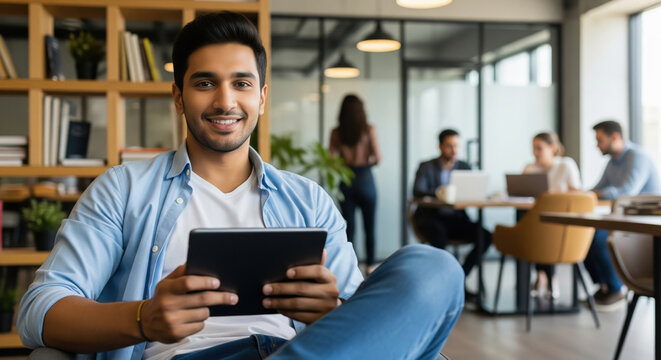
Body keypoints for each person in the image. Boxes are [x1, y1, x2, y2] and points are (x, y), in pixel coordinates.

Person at [17, 12, 465, 360]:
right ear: (178, 97)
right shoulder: (123, 189)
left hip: (299, 351)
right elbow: (39, 309)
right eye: (205, 83)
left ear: (262, 98)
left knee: (433, 268)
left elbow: (359, 317)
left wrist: (333, 311)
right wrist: (144, 317)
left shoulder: (308, 200)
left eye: (242, 84)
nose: (225, 101)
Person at [586, 120, 660, 310]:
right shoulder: (612, 162)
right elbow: (598, 188)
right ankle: (605, 286)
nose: (597, 145)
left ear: (615, 137)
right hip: (622, 216)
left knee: (599, 237)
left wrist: (597, 193)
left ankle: (616, 289)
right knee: (585, 235)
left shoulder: (638, 156)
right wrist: (584, 193)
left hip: (644, 220)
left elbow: (628, 191)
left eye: (599, 140)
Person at [412, 129, 492, 277]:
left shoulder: (464, 167)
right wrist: (440, 192)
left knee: (485, 236)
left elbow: (472, 191)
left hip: (456, 219)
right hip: (432, 218)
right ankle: (443, 280)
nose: (454, 150)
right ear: (440, 146)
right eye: (449, 146)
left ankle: (460, 276)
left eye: (457, 146)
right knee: (439, 235)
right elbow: (417, 190)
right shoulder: (426, 167)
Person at [522, 132, 582, 299]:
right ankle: (546, 277)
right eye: (533, 148)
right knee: (534, 229)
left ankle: (544, 277)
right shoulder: (531, 168)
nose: (535, 152)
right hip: (536, 220)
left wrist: (553, 195)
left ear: (553, 148)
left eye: (539, 148)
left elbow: (577, 193)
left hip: (562, 223)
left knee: (544, 233)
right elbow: (521, 194)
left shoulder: (565, 165)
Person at [329, 94, 382, 272]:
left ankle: (351, 266)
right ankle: (371, 266)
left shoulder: (336, 132)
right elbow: (378, 158)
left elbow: (330, 160)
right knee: (370, 227)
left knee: (348, 228)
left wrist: (344, 163)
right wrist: (366, 161)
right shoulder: (368, 130)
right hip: (366, 179)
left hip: (346, 180)